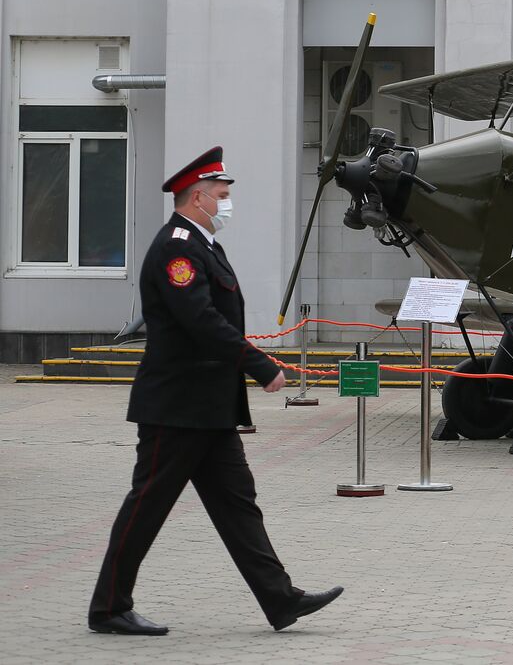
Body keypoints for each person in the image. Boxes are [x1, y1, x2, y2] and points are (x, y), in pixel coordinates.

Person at [88, 147, 343, 635]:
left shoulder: (202, 245)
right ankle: (108, 608)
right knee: (147, 505)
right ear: (198, 196)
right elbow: (201, 321)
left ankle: (280, 599)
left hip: (207, 409)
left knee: (237, 504)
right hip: (177, 407)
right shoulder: (177, 247)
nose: (227, 205)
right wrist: (258, 364)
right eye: (222, 196)